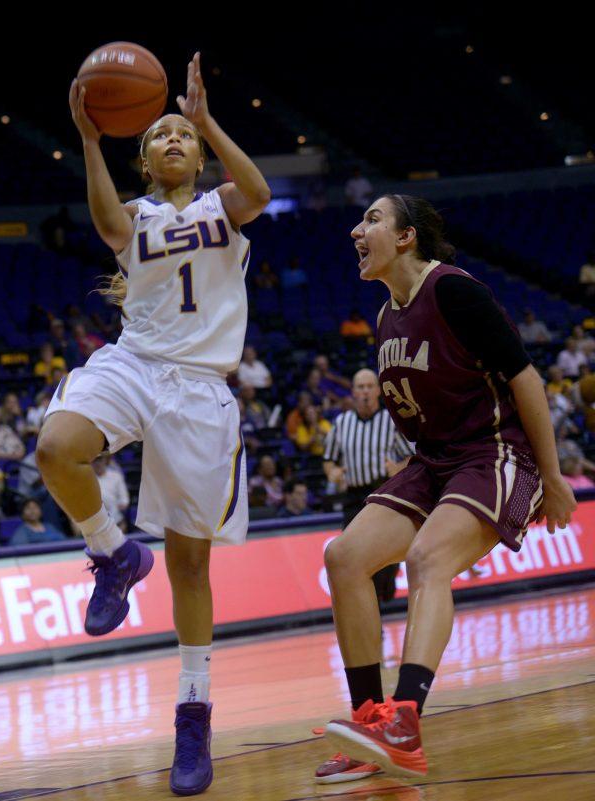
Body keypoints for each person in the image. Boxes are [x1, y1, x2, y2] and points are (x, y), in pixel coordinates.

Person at [40, 54, 270, 795]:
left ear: (199, 156)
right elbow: (105, 221)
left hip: (201, 389)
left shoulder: (219, 210)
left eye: (183, 136)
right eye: (160, 135)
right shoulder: (135, 216)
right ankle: (111, 553)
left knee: (190, 566)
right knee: (55, 447)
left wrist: (206, 117)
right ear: (142, 159)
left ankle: (193, 710)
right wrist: (87, 138)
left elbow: (260, 192)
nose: (172, 140)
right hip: (134, 362)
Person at [317, 194, 576, 782]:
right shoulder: (385, 318)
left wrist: (554, 478)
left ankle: (406, 721)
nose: (357, 230)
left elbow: (525, 378)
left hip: (495, 451)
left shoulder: (455, 291)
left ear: (406, 237)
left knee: (426, 558)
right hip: (434, 462)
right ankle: (369, 723)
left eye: (372, 220)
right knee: (344, 557)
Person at [322, 369, 414, 605]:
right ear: (353, 392)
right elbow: (328, 459)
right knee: (355, 559)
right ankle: (370, 616)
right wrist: (332, 471)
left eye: (369, 386)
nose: (364, 392)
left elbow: (411, 458)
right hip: (353, 498)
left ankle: (386, 586)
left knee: (385, 558)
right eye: (360, 387)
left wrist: (399, 467)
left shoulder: (391, 421)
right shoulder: (342, 423)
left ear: (378, 391)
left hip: (382, 494)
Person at [92, 454, 130, 529]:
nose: (97, 463)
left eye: (99, 459)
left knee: (122, 524)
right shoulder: (87, 479)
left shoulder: (116, 476)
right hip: (95, 517)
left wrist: (120, 506)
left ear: (105, 460)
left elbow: (124, 500)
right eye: (94, 460)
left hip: (115, 516)